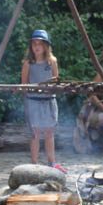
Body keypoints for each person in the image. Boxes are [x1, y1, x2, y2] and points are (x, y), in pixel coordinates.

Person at [22, 29, 64, 171]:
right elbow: (24, 84)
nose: (37, 46)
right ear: (31, 46)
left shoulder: (52, 62)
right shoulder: (28, 63)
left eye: (40, 43)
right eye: (34, 43)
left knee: (49, 132)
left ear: (46, 46)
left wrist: (50, 87)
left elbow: (56, 81)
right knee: (35, 133)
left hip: (49, 100)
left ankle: (51, 162)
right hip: (33, 100)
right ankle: (34, 163)